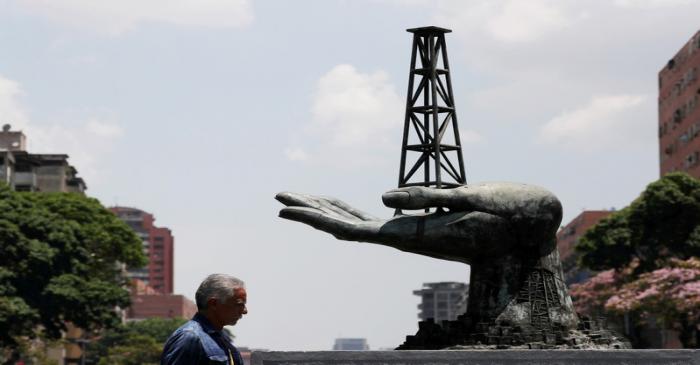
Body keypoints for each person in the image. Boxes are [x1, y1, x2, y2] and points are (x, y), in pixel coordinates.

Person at [161, 274, 247, 365]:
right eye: (239, 304)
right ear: (213, 304)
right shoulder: (189, 338)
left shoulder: (222, 339)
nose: (245, 311)